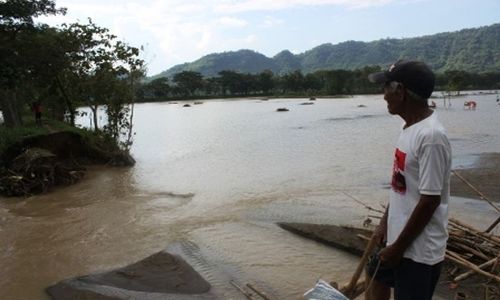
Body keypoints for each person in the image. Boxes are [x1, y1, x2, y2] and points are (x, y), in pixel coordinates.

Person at [365, 60, 452, 300]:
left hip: (418, 252)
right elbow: (400, 184)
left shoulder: (431, 137)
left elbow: (429, 201)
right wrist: (385, 224)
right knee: (373, 273)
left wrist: (398, 248)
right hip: (399, 241)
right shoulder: (409, 128)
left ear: (400, 91)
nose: (384, 96)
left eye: (386, 87)